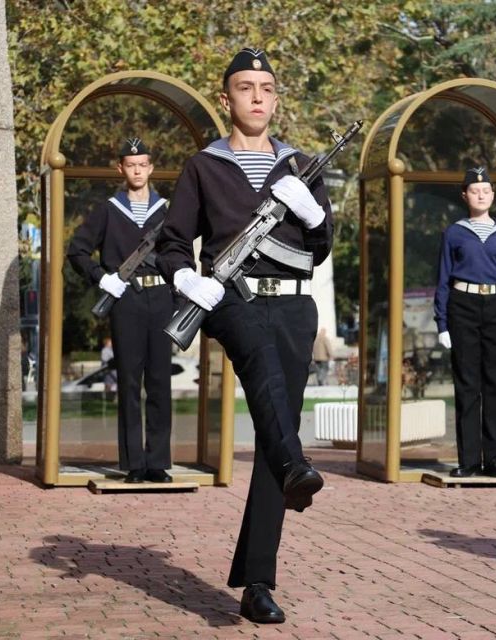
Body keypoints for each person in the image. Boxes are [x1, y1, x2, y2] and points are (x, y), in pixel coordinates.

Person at [155, 47, 331, 624]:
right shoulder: (203, 166)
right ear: (226, 97)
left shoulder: (301, 165)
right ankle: (295, 465)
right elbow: (173, 241)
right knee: (262, 371)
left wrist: (313, 215)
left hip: (295, 305)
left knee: (276, 432)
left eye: (267, 88)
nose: (257, 97)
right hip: (232, 298)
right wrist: (186, 279)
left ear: (276, 100)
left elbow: (321, 248)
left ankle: (257, 583)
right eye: (246, 87)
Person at [67, 137, 174, 485]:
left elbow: (180, 252)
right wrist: (102, 278)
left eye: (143, 164)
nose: (137, 171)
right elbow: (77, 251)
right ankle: (134, 464)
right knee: (129, 381)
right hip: (126, 299)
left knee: (160, 381)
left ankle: (158, 462)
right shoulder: (108, 210)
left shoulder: (167, 211)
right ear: (120, 169)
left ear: (151, 168)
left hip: (161, 299)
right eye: (131, 165)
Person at [434, 167, 496, 479]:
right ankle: (469, 461)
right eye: (475, 191)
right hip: (463, 306)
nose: (481, 195)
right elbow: (443, 280)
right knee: (467, 384)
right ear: (465, 195)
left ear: (493, 195)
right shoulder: (454, 232)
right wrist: (442, 324)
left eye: (486, 190)